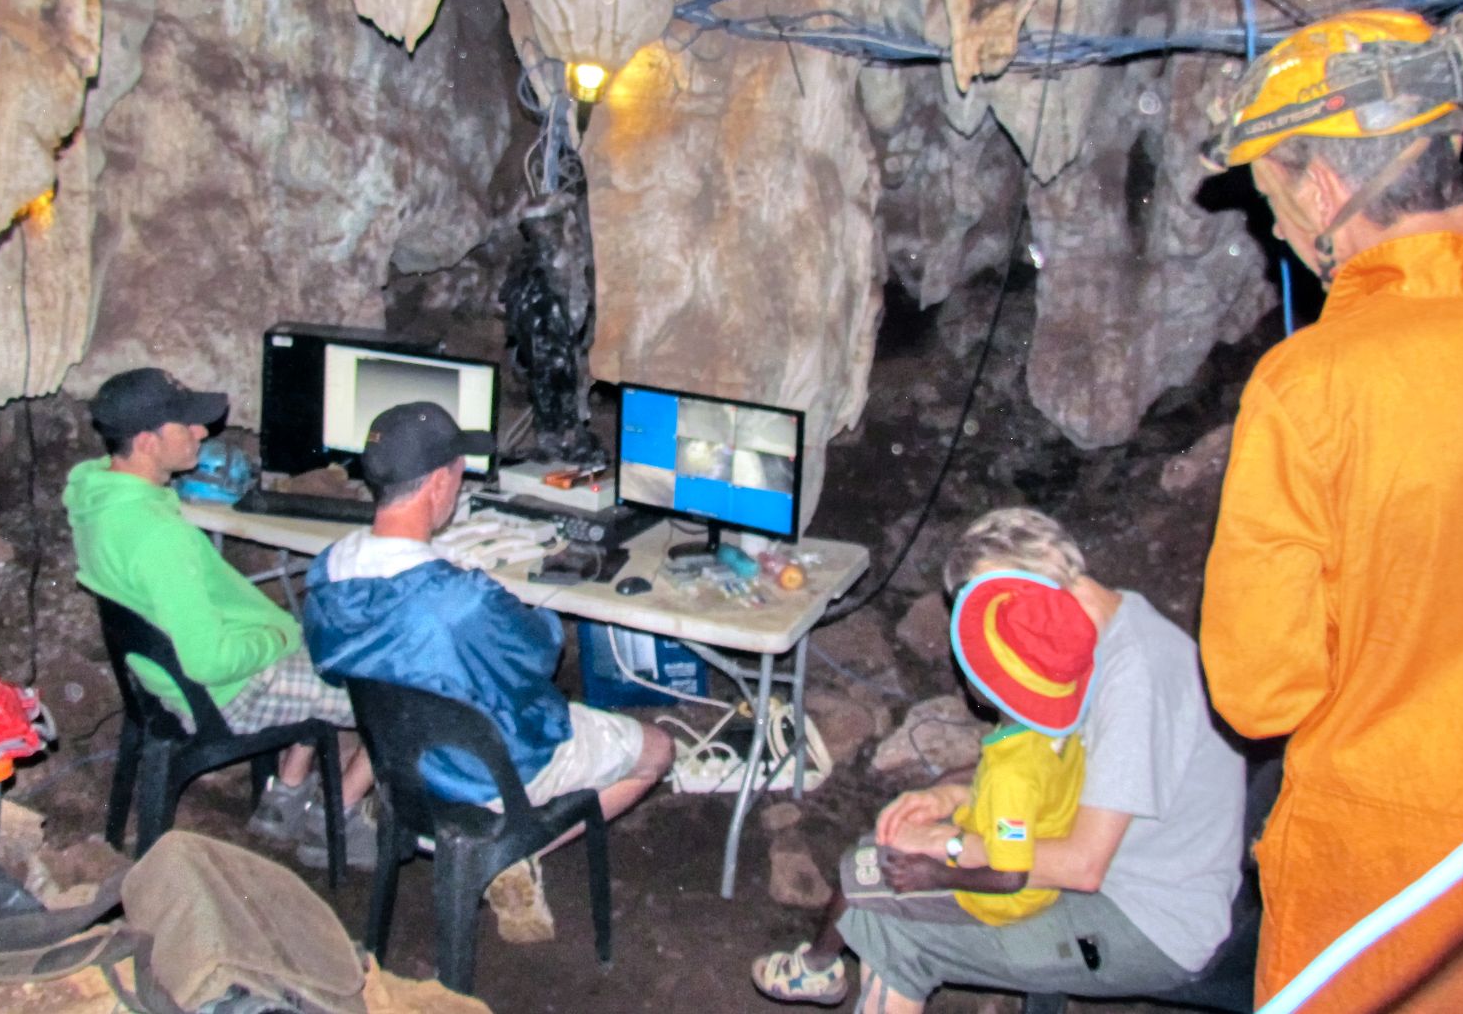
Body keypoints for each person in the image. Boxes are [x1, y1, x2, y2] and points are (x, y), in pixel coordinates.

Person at [1200, 8, 1463, 1012]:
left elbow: (1261, 689)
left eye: (1272, 201)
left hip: (1386, 893)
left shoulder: (1315, 385)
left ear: (1325, 187)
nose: (1279, 231)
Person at [762, 508, 1245, 1012]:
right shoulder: (1091, 632)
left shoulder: (1134, 683)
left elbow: (1084, 867)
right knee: (883, 865)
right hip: (1083, 855)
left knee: (893, 922)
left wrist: (949, 844)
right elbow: (1043, 772)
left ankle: (835, 971)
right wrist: (948, 793)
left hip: (1145, 918)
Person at [301, 401, 674, 936]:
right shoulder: (461, 600)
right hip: (487, 779)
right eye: (458, 473)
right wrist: (491, 595)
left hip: (403, 774)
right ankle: (509, 852)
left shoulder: (330, 570)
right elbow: (542, 653)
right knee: (658, 749)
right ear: (436, 485)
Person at [64, 367, 374, 864]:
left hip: (161, 678)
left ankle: (285, 795)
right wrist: (277, 638)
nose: (202, 432)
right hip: (224, 691)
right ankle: (337, 820)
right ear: (146, 442)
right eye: (185, 427)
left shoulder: (98, 497)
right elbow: (209, 660)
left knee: (330, 641)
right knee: (390, 688)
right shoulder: (157, 537)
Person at [752, 566, 1101, 1005]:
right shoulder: (1049, 730)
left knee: (857, 872)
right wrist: (949, 793)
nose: (964, 670)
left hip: (994, 896)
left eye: (972, 664)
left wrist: (934, 872)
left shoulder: (1016, 771)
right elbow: (1020, 795)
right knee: (883, 843)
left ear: (989, 688)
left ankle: (815, 969)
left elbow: (1011, 874)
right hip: (996, 845)